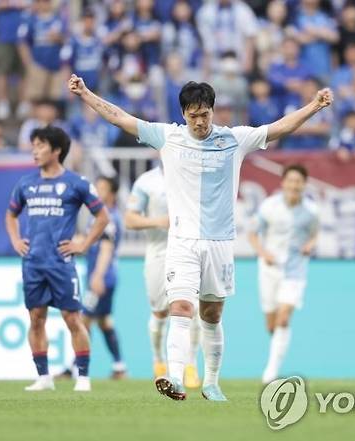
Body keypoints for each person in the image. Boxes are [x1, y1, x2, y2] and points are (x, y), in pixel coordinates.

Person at [68, 71, 333, 401]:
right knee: (180, 306)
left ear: (213, 110)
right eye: (193, 116)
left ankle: (211, 382)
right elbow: (121, 117)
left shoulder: (234, 139)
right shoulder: (169, 137)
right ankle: (175, 377)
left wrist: (313, 106)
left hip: (220, 243)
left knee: (211, 315)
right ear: (183, 114)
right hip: (182, 241)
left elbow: (280, 127)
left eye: (204, 114)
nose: (199, 122)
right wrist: (86, 94)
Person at [5, 126, 109, 392]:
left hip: (61, 264)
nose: (34, 151)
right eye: (34, 145)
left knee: (73, 319)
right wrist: (16, 240)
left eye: (40, 145)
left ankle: (83, 377)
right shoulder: (26, 183)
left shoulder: (77, 183)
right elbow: (11, 215)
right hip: (33, 263)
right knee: (36, 318)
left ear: (57, 150)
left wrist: (84, 243)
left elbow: (102, 217)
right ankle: (44, 378)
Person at [125, 165, 201, 388]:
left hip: (188, 251)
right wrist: (158, 221)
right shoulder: (146, 182)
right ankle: (158, 360)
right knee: (159, 312)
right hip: (158, 252)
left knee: (191, 310)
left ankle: (190, 364)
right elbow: (130, 219)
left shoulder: (192, 175)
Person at [249, 164, 318, 383]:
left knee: (284, 317)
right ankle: (275, 356)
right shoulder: (269, 206)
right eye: (291, 180)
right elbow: (252, 234)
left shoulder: (311, 211)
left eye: (298, 181)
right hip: (269, 270)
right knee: (271, 323)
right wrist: (263, 253)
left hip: (295, 270)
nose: (294, 185)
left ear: (304, 185)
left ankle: (270, 373)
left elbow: (314, 234)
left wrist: (310, 245)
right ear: (283, 183)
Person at [80, 176, 127, 379]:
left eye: (103, 188)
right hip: (102, 276)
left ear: (112, 193)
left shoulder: (108, 217)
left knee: (82, 321)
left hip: (102, 277)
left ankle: (75, 366)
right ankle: (119, 366)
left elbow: (106, 248)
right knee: (104, 321)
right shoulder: (98, 216)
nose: (98, 192)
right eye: (96, 187)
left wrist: (98, 276)